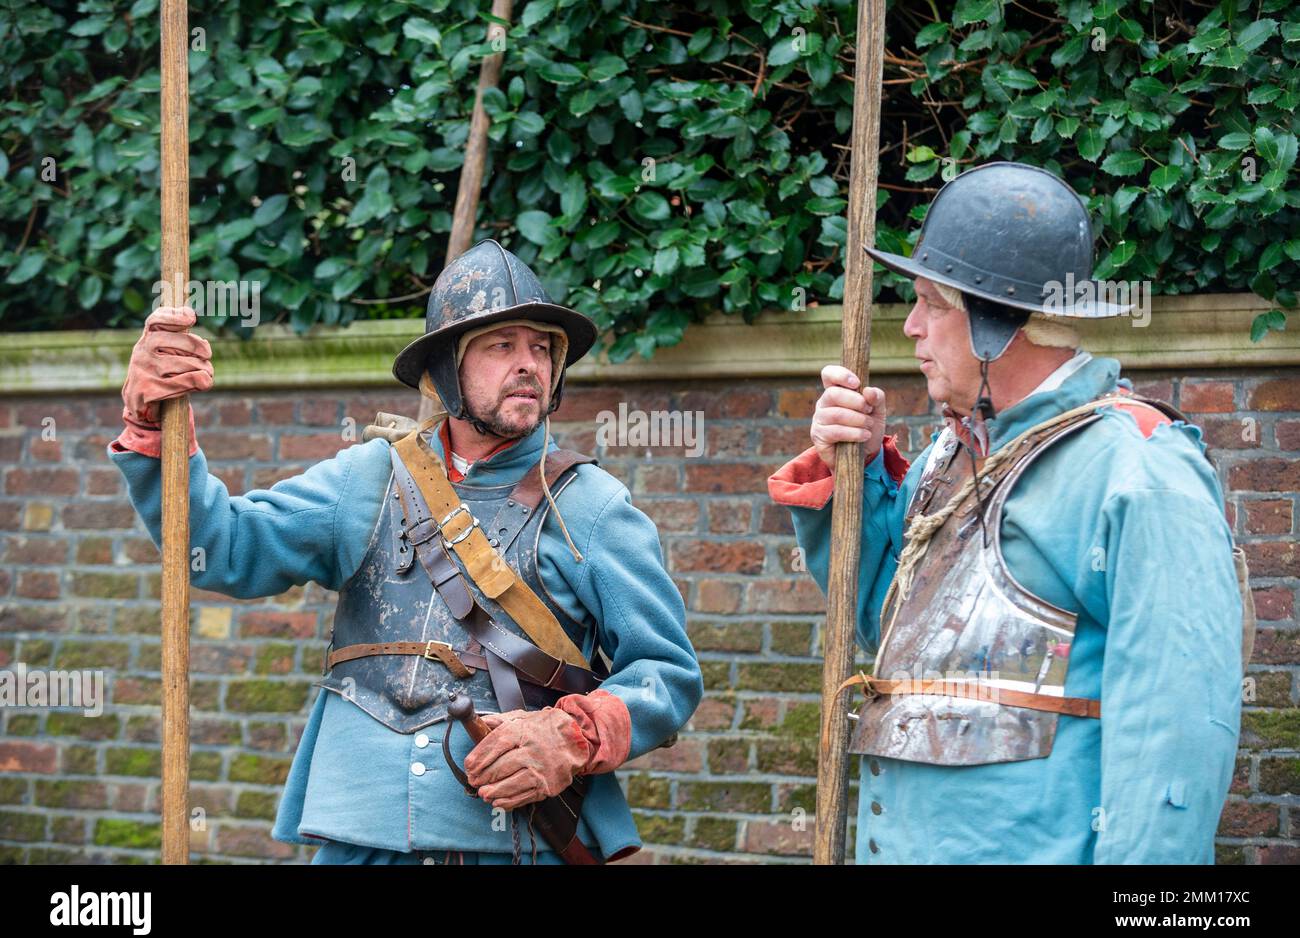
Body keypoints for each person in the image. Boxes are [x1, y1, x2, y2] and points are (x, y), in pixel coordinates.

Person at [111, 238, 702, 864]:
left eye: (541, 348)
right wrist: (155, 429)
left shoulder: (594, 505)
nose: (528, 364)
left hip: (513, 842)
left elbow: (667, 673)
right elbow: (222, 547)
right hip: (359, 836)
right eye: (502, 346)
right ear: (446, 367)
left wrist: (571, 735)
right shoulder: (365, 477)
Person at [767, 162, 1248, 864]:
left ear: (996, 323)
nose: (910, 327)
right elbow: (890, 627)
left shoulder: (1139, 471)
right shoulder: (948, 456)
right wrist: (858, 469)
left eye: (931, 302)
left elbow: (1175, 742)